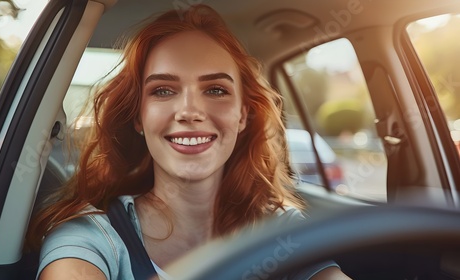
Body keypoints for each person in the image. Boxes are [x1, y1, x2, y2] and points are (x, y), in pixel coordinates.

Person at [27, 4, 350, 280]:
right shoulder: (90, 236)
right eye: (163, 91)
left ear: (242, 116)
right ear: (139, 117)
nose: (190, 112)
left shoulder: (280, 228)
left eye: (216, 90)